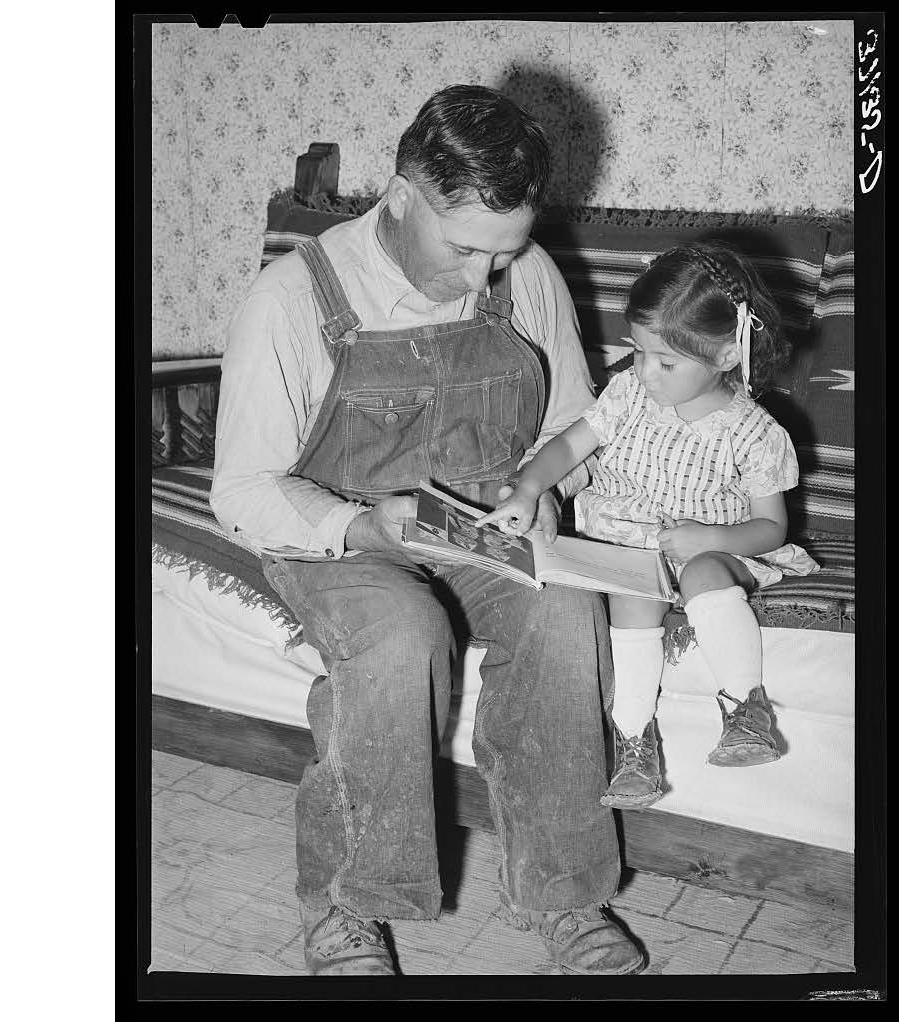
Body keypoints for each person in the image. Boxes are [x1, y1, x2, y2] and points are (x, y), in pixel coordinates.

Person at [210, 85, 645, 977]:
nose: (486, 277)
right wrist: (365, 529)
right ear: (403, 197)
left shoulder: (526, 272)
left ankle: (565, 891)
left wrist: (547, 497)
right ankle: (345, 903)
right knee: (403, 632)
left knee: (565, 608)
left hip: (485, 519)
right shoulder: (291, 299)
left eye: (506, 251)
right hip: (337, 532)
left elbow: (571, 422)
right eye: (465, 248)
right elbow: (245, 489)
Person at [477, 243, 820, 810]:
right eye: (638, 352)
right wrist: (530, 488)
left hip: (716, 550)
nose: (645, 372)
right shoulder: (629, 396)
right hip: (634, 549)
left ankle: (746, 711)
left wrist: (711, 539)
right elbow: (569, 445)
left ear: (728, 355)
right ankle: (634, 742)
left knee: (706, 571)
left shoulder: (755, 433)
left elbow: (770, 529)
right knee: (633, 596)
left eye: (666, 362)